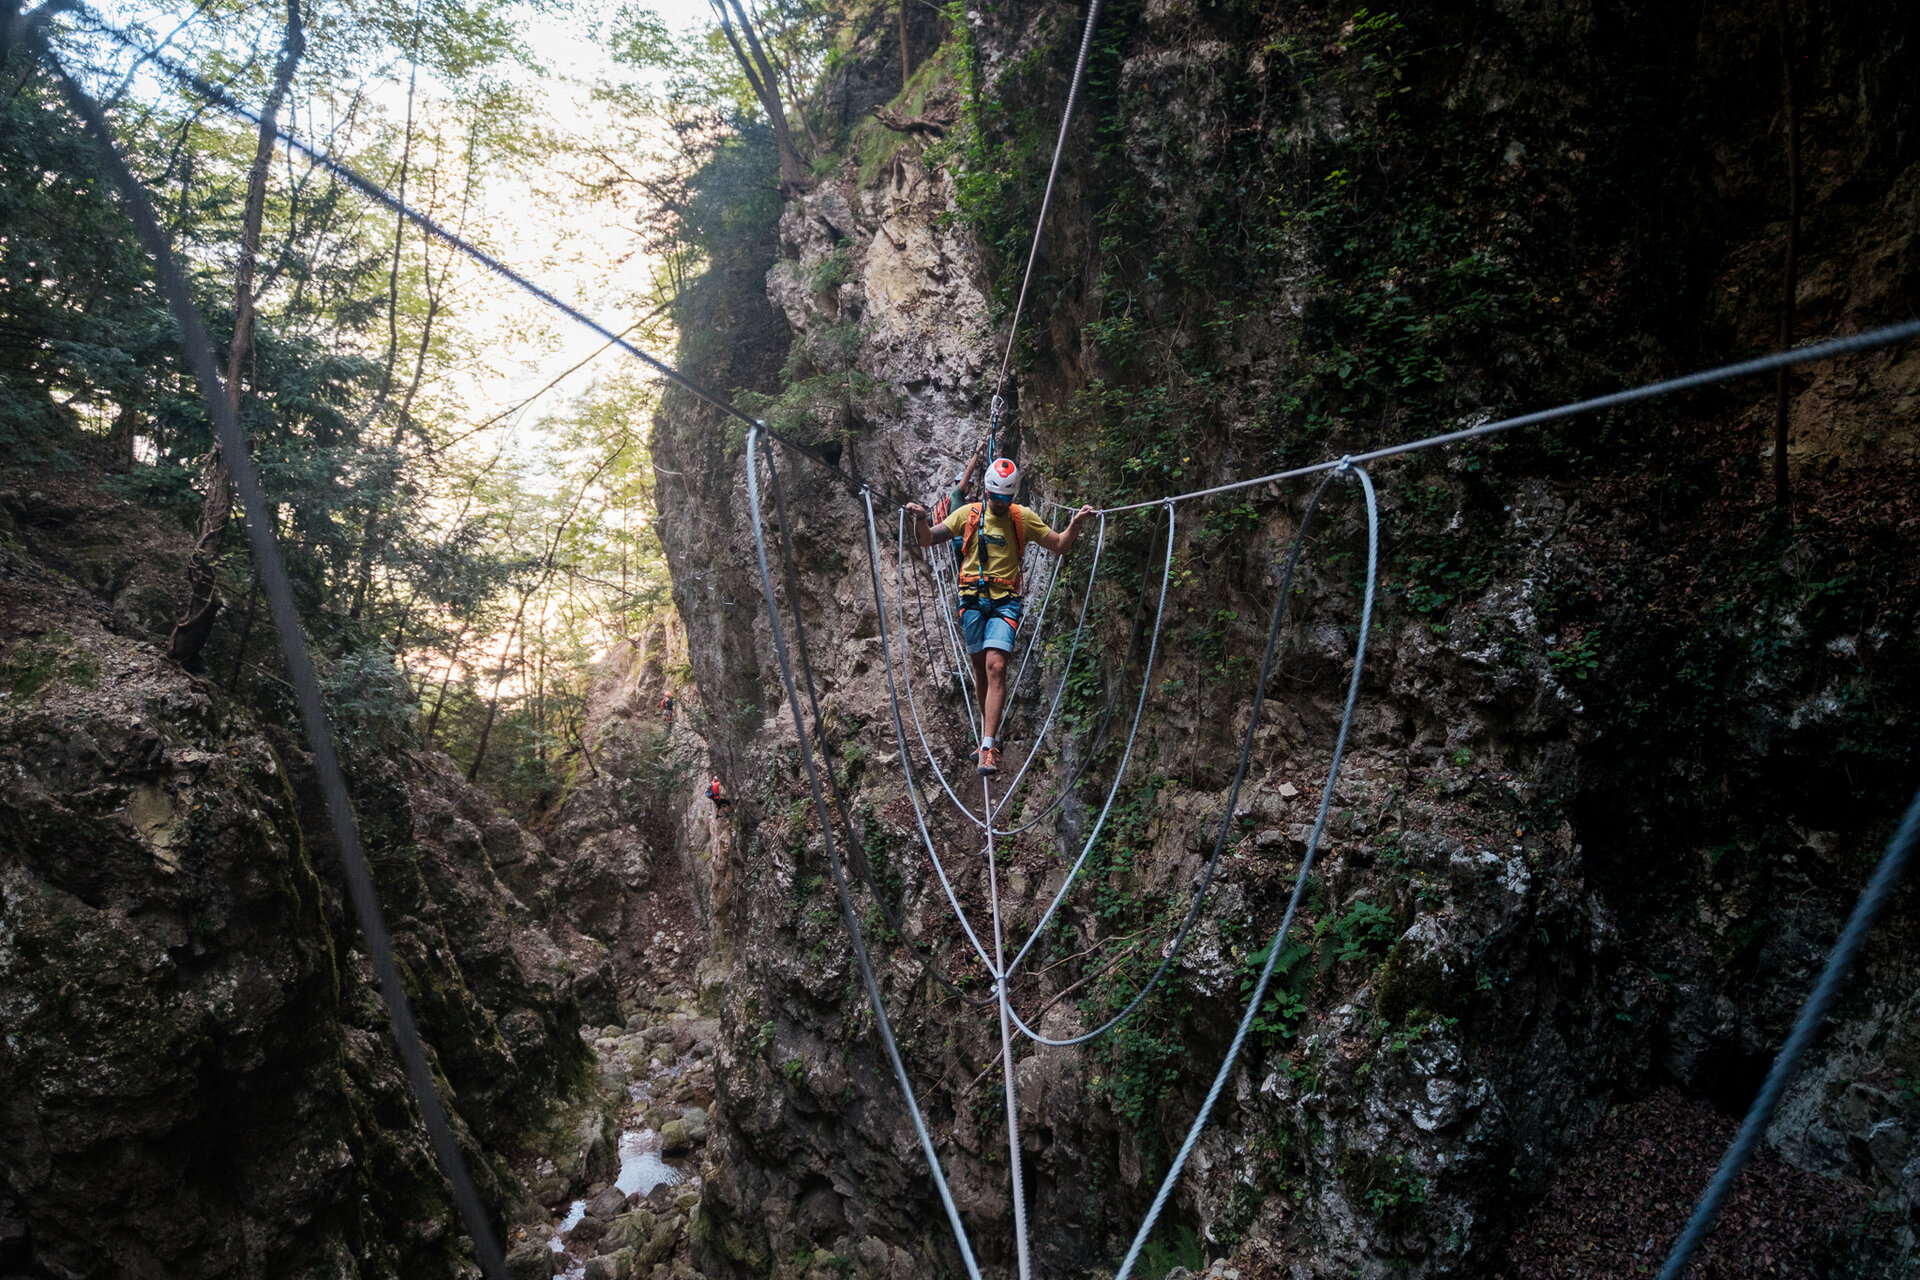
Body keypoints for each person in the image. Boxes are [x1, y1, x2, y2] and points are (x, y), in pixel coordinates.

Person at [907, 457, 1095, 775]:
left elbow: (1060, 545)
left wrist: (1074, 525)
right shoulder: (967, 514)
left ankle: (987, 746)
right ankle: (987, 737)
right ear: (987, 492)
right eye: (996, 497)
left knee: (996, 667)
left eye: (1006, 498)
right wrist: (921, 519)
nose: (1000, 503)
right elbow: (926, 539)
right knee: (981, 672)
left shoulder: (1023, 518)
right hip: (971, 600)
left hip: (1005, 602)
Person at [930, 441, 987, 568]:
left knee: (963, 568)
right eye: (969, 486)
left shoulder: (958, 499)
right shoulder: (957, 493)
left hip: (958, 541)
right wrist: (977, 452)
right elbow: (968, 472)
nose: (970, 489)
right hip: (961, 541)